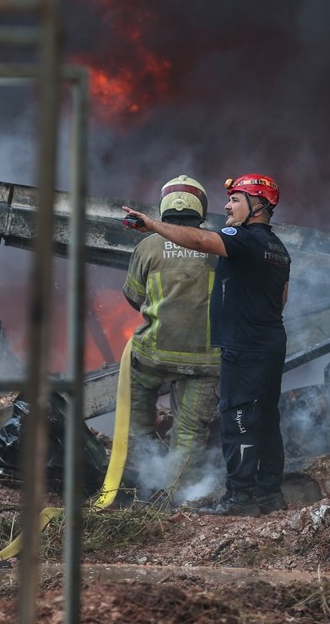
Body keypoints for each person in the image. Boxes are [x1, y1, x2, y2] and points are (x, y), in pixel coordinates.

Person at [122, 173, 291, 517]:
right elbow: (282, 300)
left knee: (238, 419)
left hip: (241, 348)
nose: (227, 206)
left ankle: (240, 499)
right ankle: (270, 494)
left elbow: (200, 242)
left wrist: (153, 226)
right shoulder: (278, 249)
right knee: (266, 418)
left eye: (235, 200)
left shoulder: (242, 239)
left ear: (257, 206)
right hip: (268, 343)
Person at [121, 175, 221, 506]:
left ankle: (141, 481)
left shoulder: (147, 246)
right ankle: (178, 500)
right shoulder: (218, 246)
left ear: (164, 207)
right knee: (190, 434)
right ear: (201, 209)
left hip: (153, 358)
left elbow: (134, 297)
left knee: (137, 419)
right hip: (205, 362)